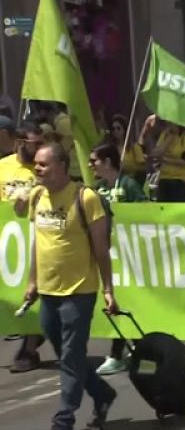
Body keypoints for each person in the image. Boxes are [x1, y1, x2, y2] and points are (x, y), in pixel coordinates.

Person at [21, 143, 119, 430]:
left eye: (43, 164)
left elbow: (101, 249)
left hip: (79, 292)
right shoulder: (37, 195)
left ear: (62, 166)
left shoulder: (85, 198)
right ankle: (102, 393)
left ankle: (64, 419)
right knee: (67, 356)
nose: (37, 168)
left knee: (72, 355)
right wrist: (32, 280)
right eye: (36, 164)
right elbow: (38, 242)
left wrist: (108, 290)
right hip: (48, 291)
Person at [88, 143, 146, 376]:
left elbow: (145, 212)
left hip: (128, 254)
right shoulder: (96, 190)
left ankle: (120, 352)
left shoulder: (129, 184)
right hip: (107, 255)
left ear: (108, 162)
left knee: (127, 300)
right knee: (114, 301)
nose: (90, 164)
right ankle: (122, 351)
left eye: (94, 160)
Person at [2, 122, 46, 373]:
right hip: (7, 245)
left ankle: (29, 350)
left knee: (34, 294)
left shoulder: (43, 169)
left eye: (42, 143)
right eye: (35, 144)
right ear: (20, 143)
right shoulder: (3, 167)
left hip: (35, 241)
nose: (40, 149)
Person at [142, 118, 185, 202]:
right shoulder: (165, 134)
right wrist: (168, 140)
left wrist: (164, 160)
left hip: (182, 181)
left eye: (170, 122)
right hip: (165, 178)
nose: (168, 124)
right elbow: (156, 153)